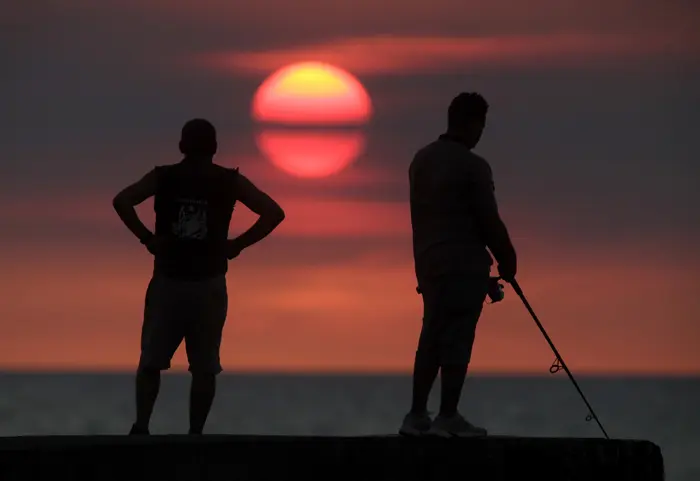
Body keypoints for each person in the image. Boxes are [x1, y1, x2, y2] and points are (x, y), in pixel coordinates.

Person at [112, 118, 286, 435]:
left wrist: (147, 238)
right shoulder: (228, 181)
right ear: (215, 148)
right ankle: (195, 434)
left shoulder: (164, 177)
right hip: (208, 285)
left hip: (169, 281)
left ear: (182, 146)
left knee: (152, 361)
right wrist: (238, 246)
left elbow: (122, 200)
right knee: (204, 367)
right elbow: (273, 212)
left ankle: (141, 427)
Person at [399, 93, 518, 437]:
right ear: (473, 123)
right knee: (458, 338)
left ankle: (417, 414)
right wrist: (508, 259)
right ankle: (448, 415)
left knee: (431, 335)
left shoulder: (420, 160)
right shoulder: (473, 166)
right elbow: (487, 219)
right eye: (480, 125)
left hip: (429, 263)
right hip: (463, 265)